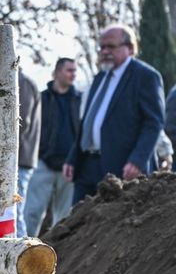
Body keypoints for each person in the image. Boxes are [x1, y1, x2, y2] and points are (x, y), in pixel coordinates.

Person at [65, 25, 165, 203]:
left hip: (121, 167)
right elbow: (88, 120)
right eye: (101, 47)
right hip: (87, 165)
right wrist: (73, 158)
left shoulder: (145, 76)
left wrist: (137, 160)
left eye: (111, 46)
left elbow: (153, 123)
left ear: (130, 48)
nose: (104, 51)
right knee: (77, 224)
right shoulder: (100, 78)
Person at [25, 58, 80, 235]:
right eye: (69, 70)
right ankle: (24, 251)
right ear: (56, 72)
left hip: (70, 167)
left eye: (74, 71)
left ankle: (57, 256)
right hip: (43, 163)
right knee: (32, 212)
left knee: (64, 217)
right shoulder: (41, 99)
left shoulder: (80, 100)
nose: (73, 74)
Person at [16, 71, 41, 237]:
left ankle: (23, 256)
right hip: (15, 158)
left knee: (14, 213)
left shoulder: (21, 83)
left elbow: (21, 122)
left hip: (18, 159)